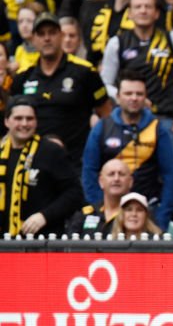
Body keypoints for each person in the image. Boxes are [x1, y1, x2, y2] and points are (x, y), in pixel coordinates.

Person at [82, 70, 173, 230]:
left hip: (147, 212)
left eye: (139, 94)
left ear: (145, 97)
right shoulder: (102, 127)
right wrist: (99, 209)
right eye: (128, 93)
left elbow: (171, 175)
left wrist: (162, 218)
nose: (134, 98)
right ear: (118, 97)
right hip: (107, 213)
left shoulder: (157, 129)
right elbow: (89, 171)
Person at [100, 0, 173, 137]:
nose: (143, 11)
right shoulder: (117, 43)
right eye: (138, 7)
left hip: (164, 118)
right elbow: (105, 83)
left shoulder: (172, 40)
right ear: (129, 13)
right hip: (128, 117)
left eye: (148, 6)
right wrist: (129, 97)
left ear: (156, 13)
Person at [9, 12, 111, 166]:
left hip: (76, 162)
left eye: (52, 32)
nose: (47, 38)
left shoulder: (84, 71)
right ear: (33, 39)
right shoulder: (23, 77)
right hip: (33, 163)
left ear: (61, 35)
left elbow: (106, 114)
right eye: (41, 34)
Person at [0, 97, 82, 236]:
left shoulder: (51, 151)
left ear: (36, 122)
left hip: (43, 241)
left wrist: (44, 216)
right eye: (18, 118)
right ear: (7, 121)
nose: (24, 123)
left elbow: (74, 193)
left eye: (29, 118)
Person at [66, 158, 133, 237]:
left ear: (130, 182)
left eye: (121, 174)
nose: (116, 179)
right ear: (101, 181)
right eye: (111, 174)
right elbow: (70, 246)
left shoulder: (138, 215)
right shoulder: (85, 215)